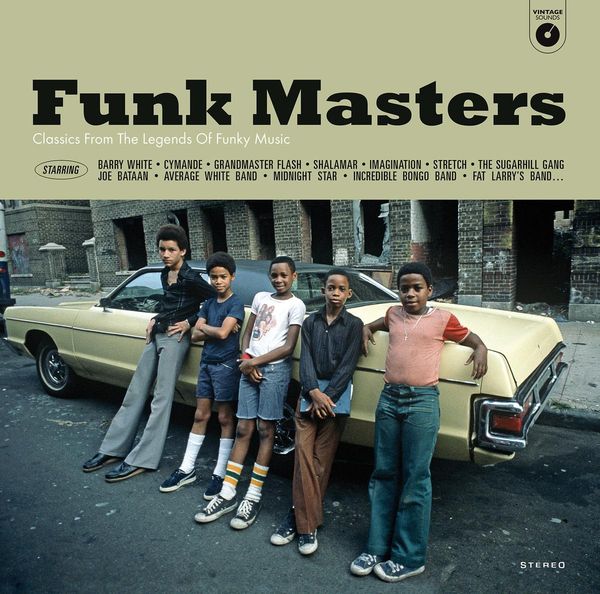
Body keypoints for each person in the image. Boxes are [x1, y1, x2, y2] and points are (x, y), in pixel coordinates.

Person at [350, 262, 488, 583]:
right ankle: (375, 547)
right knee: (383, 472)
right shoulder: (392, 314)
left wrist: (480, 348)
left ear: (429, 290)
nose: (410, 294)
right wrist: (365, 329)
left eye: (417, 288)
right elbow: (373, 324)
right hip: (389, 399)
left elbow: (471, 339)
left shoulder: (443, 319)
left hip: (422, 402)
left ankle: (409, 557)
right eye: (404, 288)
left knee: (416, 478)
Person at [82, 224, 214, 482]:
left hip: (175, 339)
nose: (165, 254)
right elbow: (169, 303)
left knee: (161, 399)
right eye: (162, 249)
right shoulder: (165, 274)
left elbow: (214, 298)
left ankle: (142, 459)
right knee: (135, 391)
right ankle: (113, 449)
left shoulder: (191, 278)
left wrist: (190, 323)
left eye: (171, 250)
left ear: (183, 251)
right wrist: (155, 318)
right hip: (158, 334)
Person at [195, 256, 305, 529]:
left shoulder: (296, 305)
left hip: (274, 371)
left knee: (266, 430)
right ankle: (228, 492)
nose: (278, 280)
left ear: (294, 277)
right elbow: (247, 332)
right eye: (274, 275)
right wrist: (246, 358)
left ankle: (253, 496)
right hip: (248, 366)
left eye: (284, 275)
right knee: (243, 428)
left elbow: (288, 347)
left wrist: (254, 363)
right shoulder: (260, 298)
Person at [270, 268, 363, 555]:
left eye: (341, 289)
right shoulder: (310, 322)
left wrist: (327, 397)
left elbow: (348, 366)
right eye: (331, 288)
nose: (335, 293)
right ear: (323, 291)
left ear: (349, 294)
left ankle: (296, 518)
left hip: (335, 401)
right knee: (303, 457)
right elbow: (306, 361)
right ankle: (306, 526)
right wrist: (312, 392)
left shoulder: (354, 325)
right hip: (309, 396)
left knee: (321, 462)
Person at [159, 252, 244, 498]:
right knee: (200, 414)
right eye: (214, 277)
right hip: (207, 363)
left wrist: (207, 328)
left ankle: (220, 472)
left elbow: (223, 334)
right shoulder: (207, 304)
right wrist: (212, 329)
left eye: (223, 276)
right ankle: (187, 468)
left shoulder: (236, 303)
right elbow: (196, 335)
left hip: (226, 366)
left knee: (225, 417)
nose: (218, 281)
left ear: (232, 277)